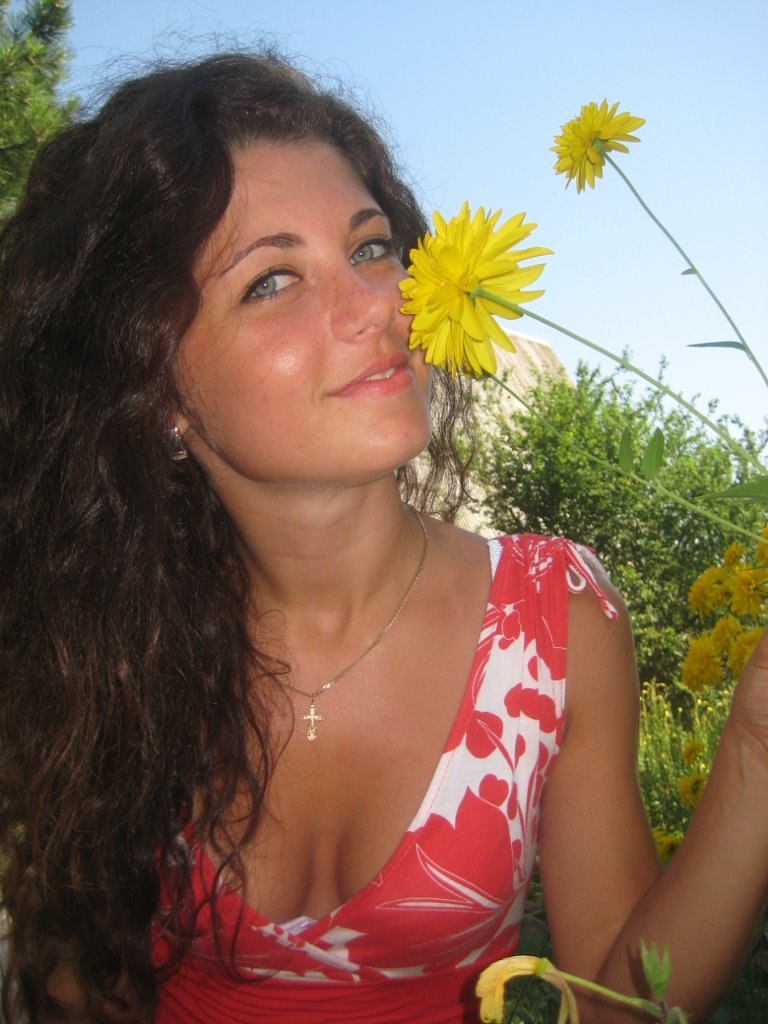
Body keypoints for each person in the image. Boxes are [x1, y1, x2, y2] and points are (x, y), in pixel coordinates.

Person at [0, 51, 766, 1024]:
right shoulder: (105, 637)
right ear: (154, 389)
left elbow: (619, 1004)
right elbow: (79, 978)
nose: (383, 304)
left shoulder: (552, 626)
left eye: (370, 248)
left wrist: (754, 749)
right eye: (273, 280)